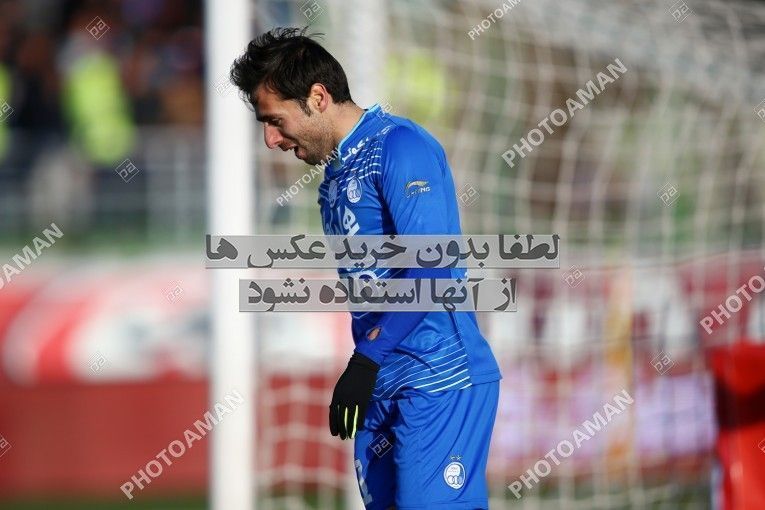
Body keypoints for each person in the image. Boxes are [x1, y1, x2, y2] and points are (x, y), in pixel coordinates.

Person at [231, 27, 502, 510]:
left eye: (275, 120)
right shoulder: (333, 181)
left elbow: (432, 272)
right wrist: (371, 366)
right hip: (381, 383)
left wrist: (366, 359)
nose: (270, 139)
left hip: (439, 377)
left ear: (317, 97)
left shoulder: (400, 147)